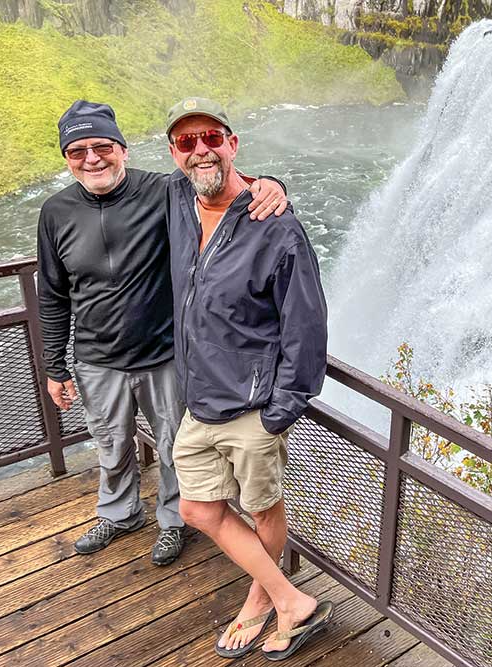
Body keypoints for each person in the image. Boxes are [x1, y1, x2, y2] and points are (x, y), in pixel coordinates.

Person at [37, 100, 288, 566]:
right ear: (66, 160)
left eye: (102, 146)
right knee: (110, 444)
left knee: (175, 446)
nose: (92, 158)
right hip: (96, 358)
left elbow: (218, 173)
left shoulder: (164, 191)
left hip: (165, 354)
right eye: (78, 151)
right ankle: (120, 512)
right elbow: (52, 294)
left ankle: (173, 520)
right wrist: (54, 365)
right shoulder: (55, 213)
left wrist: (272, 185)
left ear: (123, 150)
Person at [165, 97, 332, 660]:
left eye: (211, 137)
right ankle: (291, 599)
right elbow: (105, 174)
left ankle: (265, 599)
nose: (200, 150)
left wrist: (280, 409)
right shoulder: (177, 202)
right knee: (197, 509)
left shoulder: (275, 224)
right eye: (187, 143)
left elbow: (306, 324)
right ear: (175, 154)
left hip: (252, 408)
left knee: (262, 509)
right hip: (200, 400)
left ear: (233, 144)